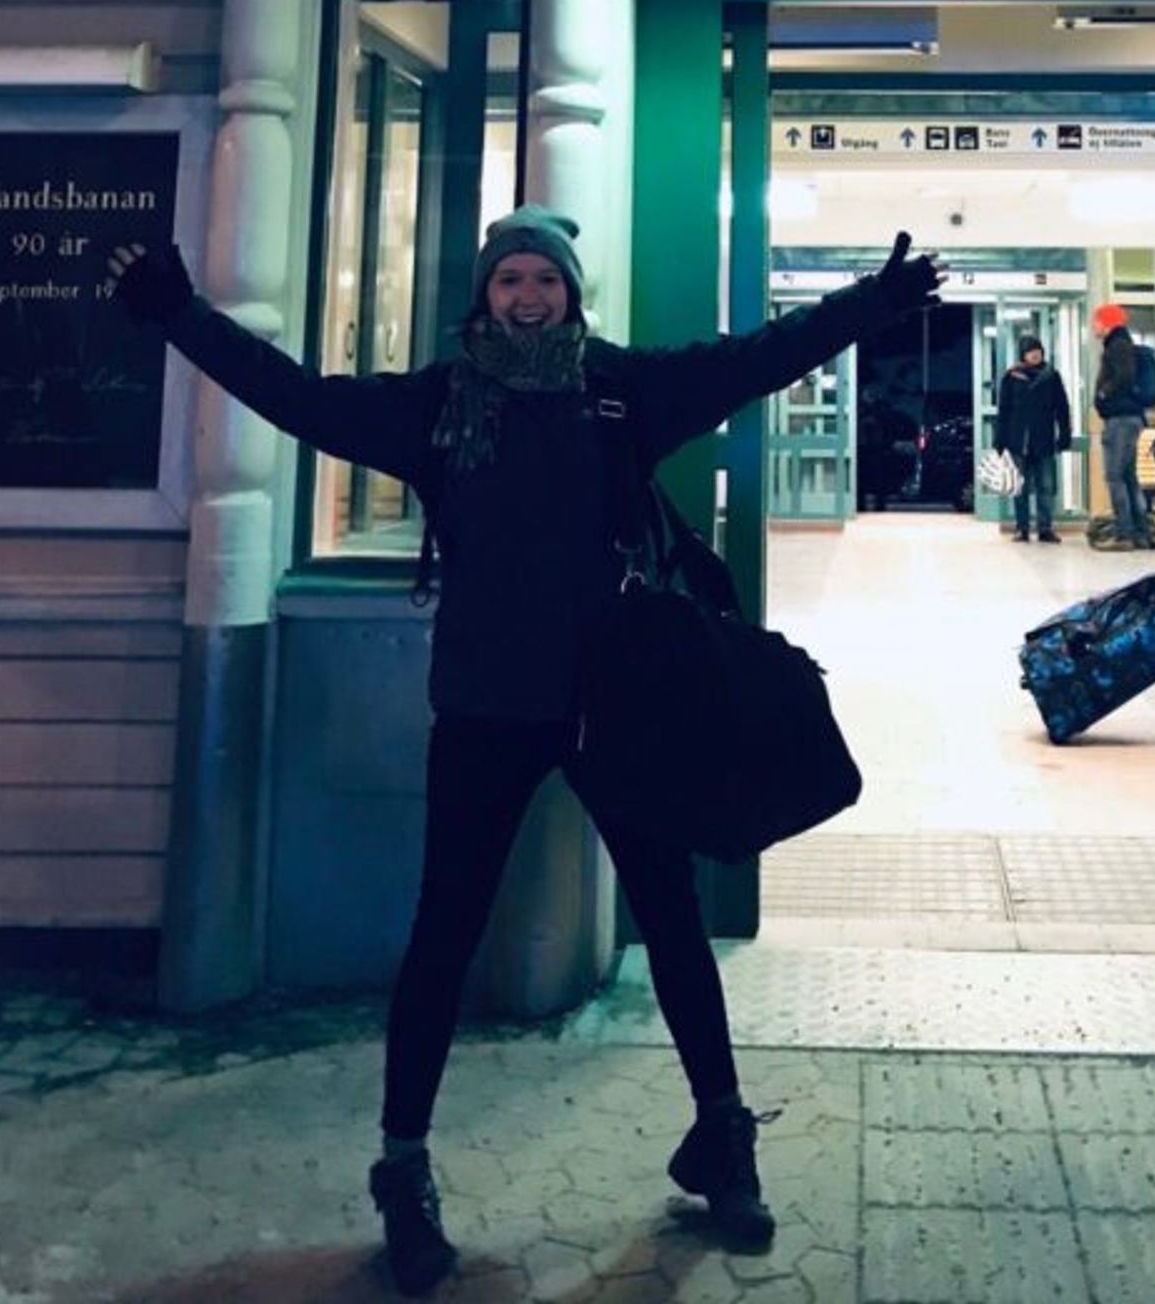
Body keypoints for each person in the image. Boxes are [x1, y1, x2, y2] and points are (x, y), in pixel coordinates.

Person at [107, 207, 941, 1296]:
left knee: (673, 920)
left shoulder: (618, 388)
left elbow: (754, 360)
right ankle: (403, 1170)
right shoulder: (440, 404)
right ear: (484, 294)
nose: (529, 293)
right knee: (444, 935)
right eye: (510, 277)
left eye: (546, 275)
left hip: (616, 707)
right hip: (488, 708)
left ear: (572, 290)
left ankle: (722, 1141)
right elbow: (299, 398)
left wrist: (868, 307)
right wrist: (181, 316)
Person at [1090, 302, 1155, 549]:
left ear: (1107, 323)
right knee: (1128, 477)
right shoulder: (1122, 344)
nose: (1094, 326)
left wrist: (1104, 394)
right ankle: (1140, 532)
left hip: (1120, 419)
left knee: (1115, 475)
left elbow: (1124, 376)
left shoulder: (1117, 346)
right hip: (1129, 419)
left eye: (1097, 321)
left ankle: (1125, 534)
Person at [993, 332, 1071, 543]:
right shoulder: (1011, 377)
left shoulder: (1051, 376)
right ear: (1023, 354)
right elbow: (1004, 410)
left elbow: (1062, 407)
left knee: (1045, 486)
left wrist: (1065, 434)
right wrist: (1000, 440)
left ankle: (1045, 528)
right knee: (1020, 487)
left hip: (1043, 440)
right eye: (1030, 351)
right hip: (1018, 441)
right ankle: (1022, 528)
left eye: (1038, 351)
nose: (1035, 355)